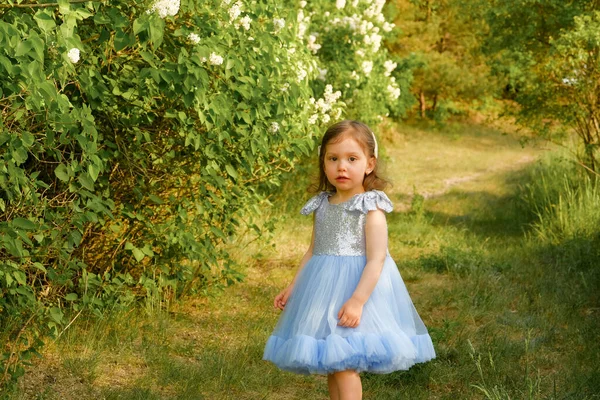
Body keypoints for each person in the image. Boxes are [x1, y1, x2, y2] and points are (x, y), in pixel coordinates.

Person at [263, 120, 435, 400]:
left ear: (369, 164)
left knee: (346, 364)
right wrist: (294, 286)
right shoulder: (322, 205)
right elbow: (312, 251)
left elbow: (377, 260)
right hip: (322, 290)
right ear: (324, 163)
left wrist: (357, 301)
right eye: (333, 159)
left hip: (358, 291)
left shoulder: (371, 209)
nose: (341, 166)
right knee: (333, 362)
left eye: (351, 159)